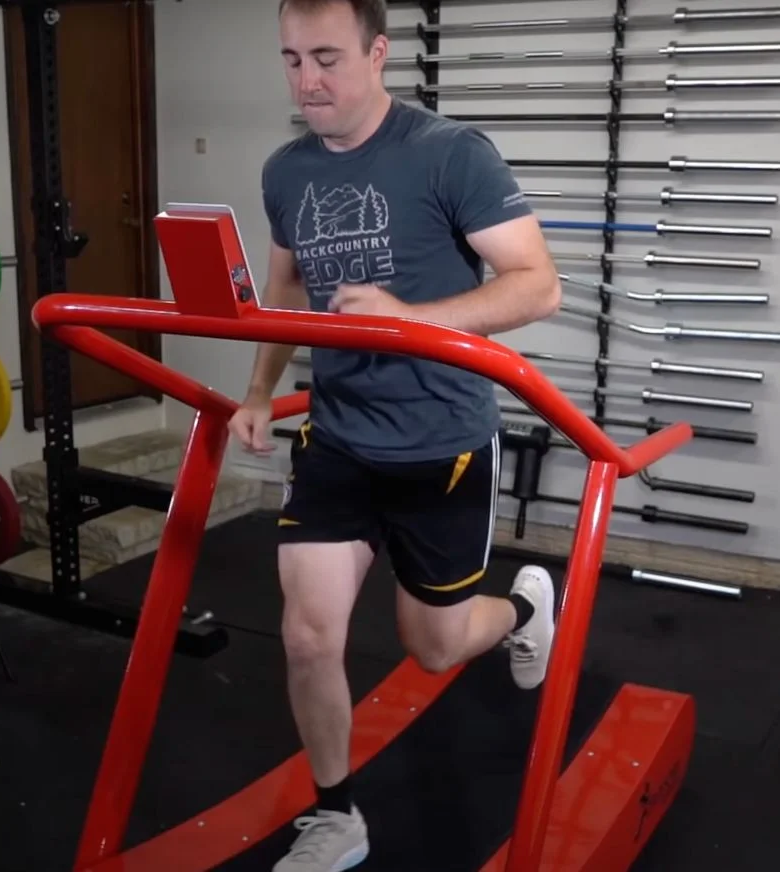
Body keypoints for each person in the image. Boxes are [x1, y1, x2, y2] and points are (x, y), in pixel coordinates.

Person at [226, 0, 564, 869]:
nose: (309, 81)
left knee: (434, 646)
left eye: (328, 57)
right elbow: (287, 294)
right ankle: (336, 817)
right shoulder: (286, 172)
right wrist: (260, 390)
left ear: (379, 53)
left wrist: (410, 318)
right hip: (338, 440)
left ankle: (526, 606)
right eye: (292, 59)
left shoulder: (450, 155)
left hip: (440, 444)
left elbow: (535, 286)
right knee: (307, 633)